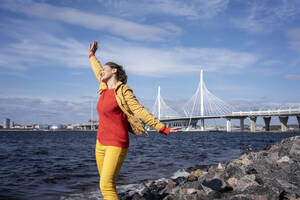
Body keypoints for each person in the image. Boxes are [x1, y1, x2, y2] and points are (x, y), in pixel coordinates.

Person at [88, 40, 181, 200]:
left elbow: (140, 111)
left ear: (114, 71)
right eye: (101, 70)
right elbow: (97, 70)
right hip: (100, 143)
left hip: (116, 143)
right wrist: (92, 55)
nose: (101, 72)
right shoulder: (103, 87)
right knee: (108, 184)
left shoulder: (124, 91)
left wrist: (162, 128)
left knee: (105, 185)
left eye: (105, 69)